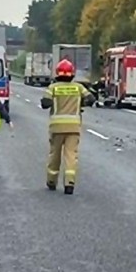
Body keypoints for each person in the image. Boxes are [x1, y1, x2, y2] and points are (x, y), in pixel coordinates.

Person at [41, 59, 95, 195]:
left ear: (57, 73)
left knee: (55, 155)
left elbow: (45, 103)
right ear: (72, 74)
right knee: (71, 156)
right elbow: (91, 99)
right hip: (74, 127)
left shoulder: (53, 88)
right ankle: (69, 183)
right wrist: (80, 104)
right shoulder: (78, 87)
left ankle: (52, 181)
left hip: (56, 127)